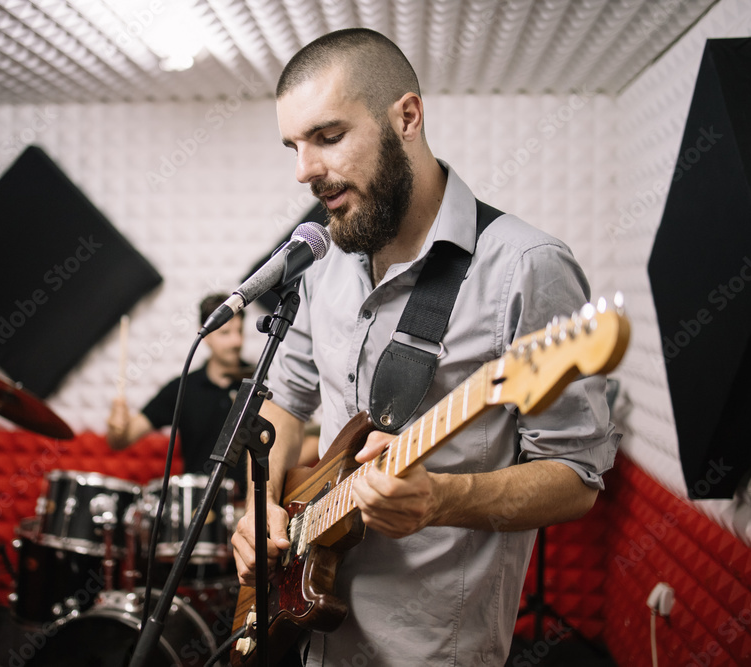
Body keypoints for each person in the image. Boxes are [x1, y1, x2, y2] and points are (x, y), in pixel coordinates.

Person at [231, 28, 619, 666]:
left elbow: (577, 479)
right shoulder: (323, 261)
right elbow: (282, 405)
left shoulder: (527, 267)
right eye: (294, 147)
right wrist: (260, 507)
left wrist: (443, 499)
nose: (305, 171)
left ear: (406, 116)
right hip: (309, 633)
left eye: (328, 137)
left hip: (434, 647)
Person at [107, 293, 251, 481]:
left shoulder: (260, 381)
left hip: (251, 503)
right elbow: (121, 441)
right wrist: (116, 425)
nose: (236, 341)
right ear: (205, 334)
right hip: (196, 505)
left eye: (239, 331)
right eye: (226, 333)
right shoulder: (183, 388)